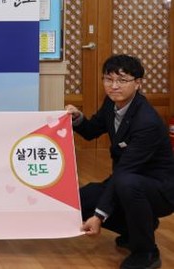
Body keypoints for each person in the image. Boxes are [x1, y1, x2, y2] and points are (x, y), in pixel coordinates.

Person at [66, 54, 174, 269]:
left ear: (138, 83)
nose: (114, 86)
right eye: (108, 79)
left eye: (122, 80)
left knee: (125, 183)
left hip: (159, 189)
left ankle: (146, 252)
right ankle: (136, 228)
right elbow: (91, 131)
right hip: (127, 178)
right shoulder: (112, 103)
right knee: (80, 200)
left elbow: (124, 172)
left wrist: (99, 217)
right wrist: (77, 118)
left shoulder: (147, 122)